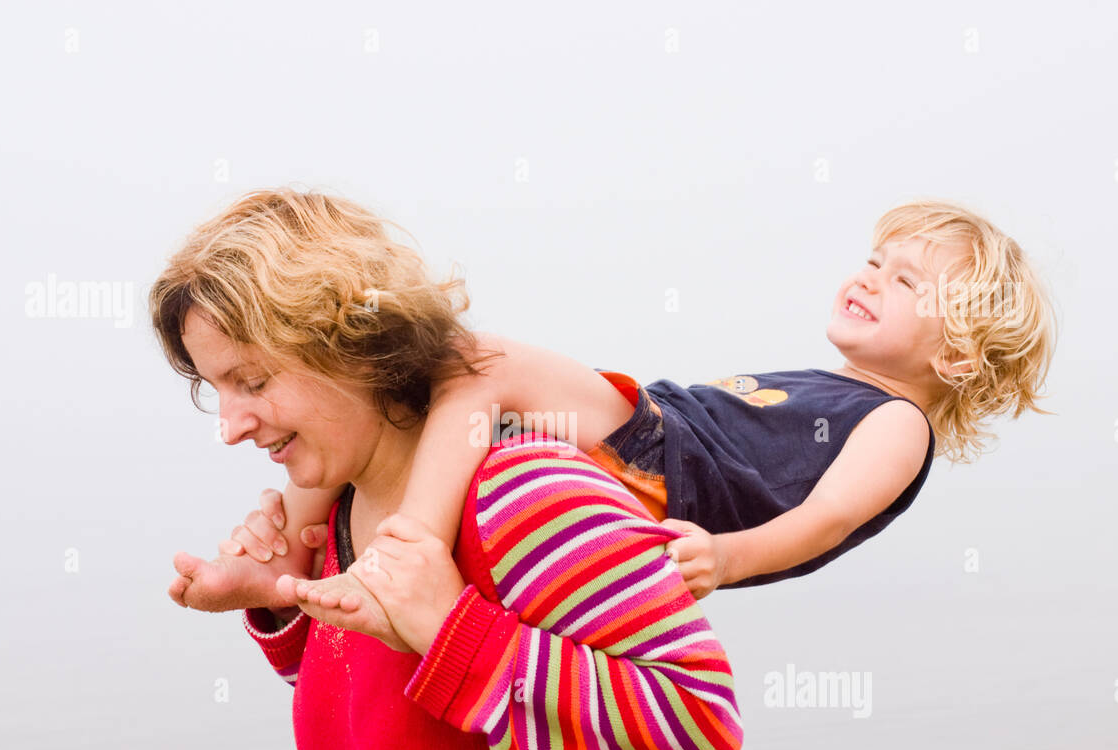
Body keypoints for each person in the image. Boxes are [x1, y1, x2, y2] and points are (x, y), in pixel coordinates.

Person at [153, 188, 745, 750]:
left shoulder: (522, 495)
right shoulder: (335, 521)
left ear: (352, 346)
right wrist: (281, 600)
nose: (230, 428)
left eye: (253, 382)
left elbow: (701, 719)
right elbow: (406, 733)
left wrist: (451, 632)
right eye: (215, 391)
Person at [187, 199, 1057, 614]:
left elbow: (826, 520)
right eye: (874, 258)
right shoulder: (837, 388)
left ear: (956, 351)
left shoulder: (898, 423)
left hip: (660, 460)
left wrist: (728, 556)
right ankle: (295, 555)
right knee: (421, 401)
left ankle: (400, 560)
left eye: (905, 280)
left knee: (472, 361)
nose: (870, 275)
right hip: (647, 438)